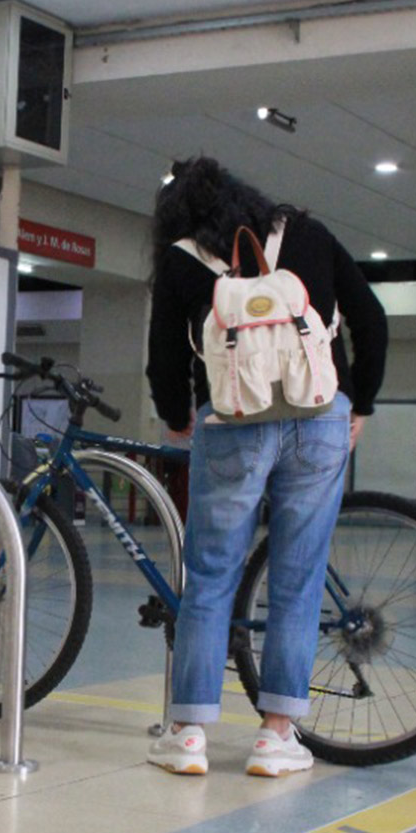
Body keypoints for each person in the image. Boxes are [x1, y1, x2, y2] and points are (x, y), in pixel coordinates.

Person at [143, 156, 388, 778]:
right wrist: (360, 403)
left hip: (231, 423)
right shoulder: (306, 233)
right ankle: (277, 736)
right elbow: (371, 320)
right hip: (319, 419)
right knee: (296, 581)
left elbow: (166, 356)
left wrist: (178, 416)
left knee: (211, 577)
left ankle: (189, 733)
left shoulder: (180, 257)